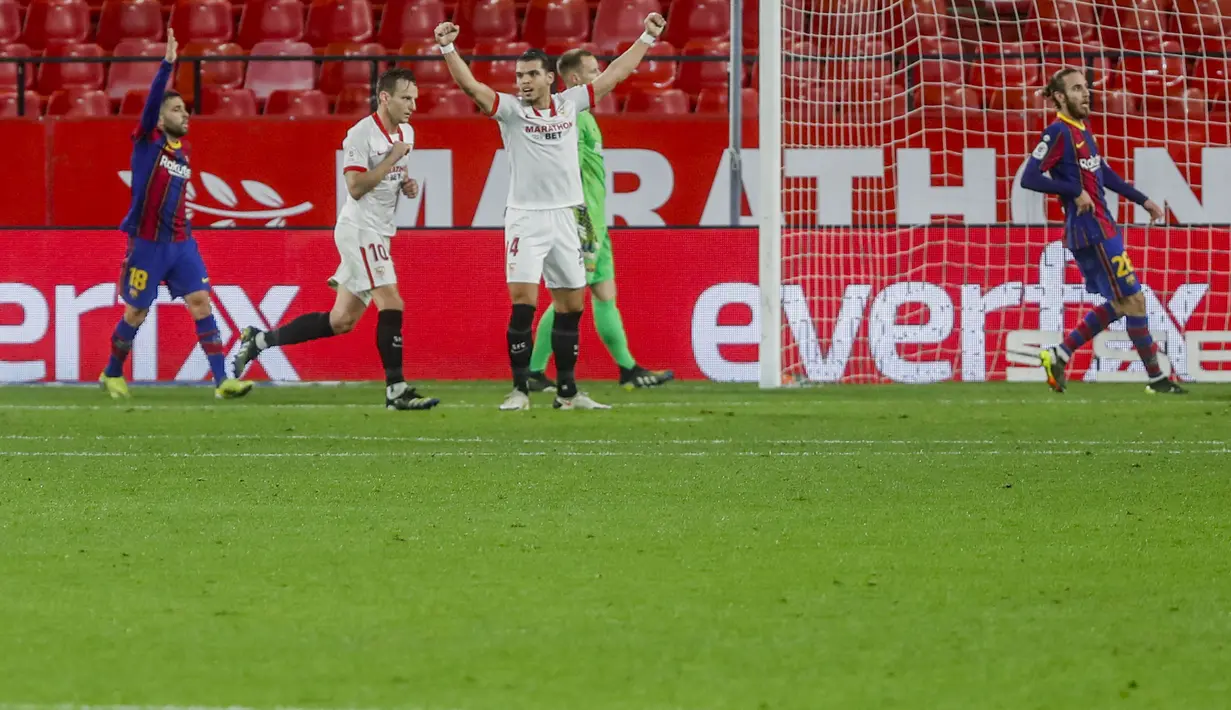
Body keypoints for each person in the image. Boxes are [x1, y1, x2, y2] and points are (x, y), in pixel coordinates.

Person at [434, 13, 667, 410]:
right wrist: (447, 48)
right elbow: (470, 86)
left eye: (530, 75)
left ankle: (568, 392)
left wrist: (646, 36)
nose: (522, 81)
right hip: (527, 218)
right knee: (523, 302)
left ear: (548, 79)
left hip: (568, 217)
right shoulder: (510, 111)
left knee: (571, 306)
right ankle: (520, 390)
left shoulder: (569, 104)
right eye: (519, 75)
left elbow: (615, 75)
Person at [231, 68, 440, 411]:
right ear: (385, 97)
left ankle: (259, 339)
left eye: (415, 99)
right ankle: (396, 390)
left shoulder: (407, 133)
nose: (412, 105)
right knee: (393, 303)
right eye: (406, 98)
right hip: (360, 229)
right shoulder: (360, 135)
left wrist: (406, 184)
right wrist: (391, 160)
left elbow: (391, 177)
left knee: (341, 320)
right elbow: (356, 187)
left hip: (380, 232)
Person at [99, 29, 253, 400]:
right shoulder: (146, 142)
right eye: (176, 109)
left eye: (185, 110)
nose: (184, 115)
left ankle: (222, 382)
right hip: (148, 245)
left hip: (182, 243)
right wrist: (167, 65)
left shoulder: (181, 152)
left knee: (200, 301)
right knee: (136, 312)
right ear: (160, 117)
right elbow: (153, 103)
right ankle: (111, 372)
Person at [1021, 67, 1185, 394]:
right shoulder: (1057, 132)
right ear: (1059, 97)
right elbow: (1029, 176)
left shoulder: (1082, 128)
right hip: (1089, 230)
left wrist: (1143, 200)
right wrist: (1071, 190)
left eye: (1086, 87)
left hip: (1103, 226)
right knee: (1132, 299)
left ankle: (1062, 354)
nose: (1086, 94)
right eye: (1077, 89)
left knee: (1129, 301)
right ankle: (1155, 379)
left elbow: (1103, 173)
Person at [525, 47, 674, 393]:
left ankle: (628, 369)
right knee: (567, 298)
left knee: (605, 294)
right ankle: (533, 370)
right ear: (575, 79)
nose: (600, 77)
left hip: (597, 219)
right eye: (593, 72)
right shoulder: (568, 117)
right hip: (582, 220)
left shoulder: (587, 117)